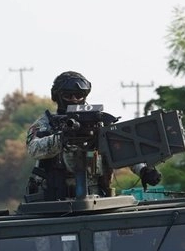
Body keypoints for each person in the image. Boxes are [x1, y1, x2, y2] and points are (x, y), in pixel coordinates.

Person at [25, 71, 161, 201]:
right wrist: (61, 138)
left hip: (97, 198)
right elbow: (33, 148)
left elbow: (122, 147)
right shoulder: (46, 123)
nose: (74, 100)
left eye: (79, 95)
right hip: (54, 200)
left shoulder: (98, 121)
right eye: (68, 95)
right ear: (57, 96)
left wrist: (143, 170)